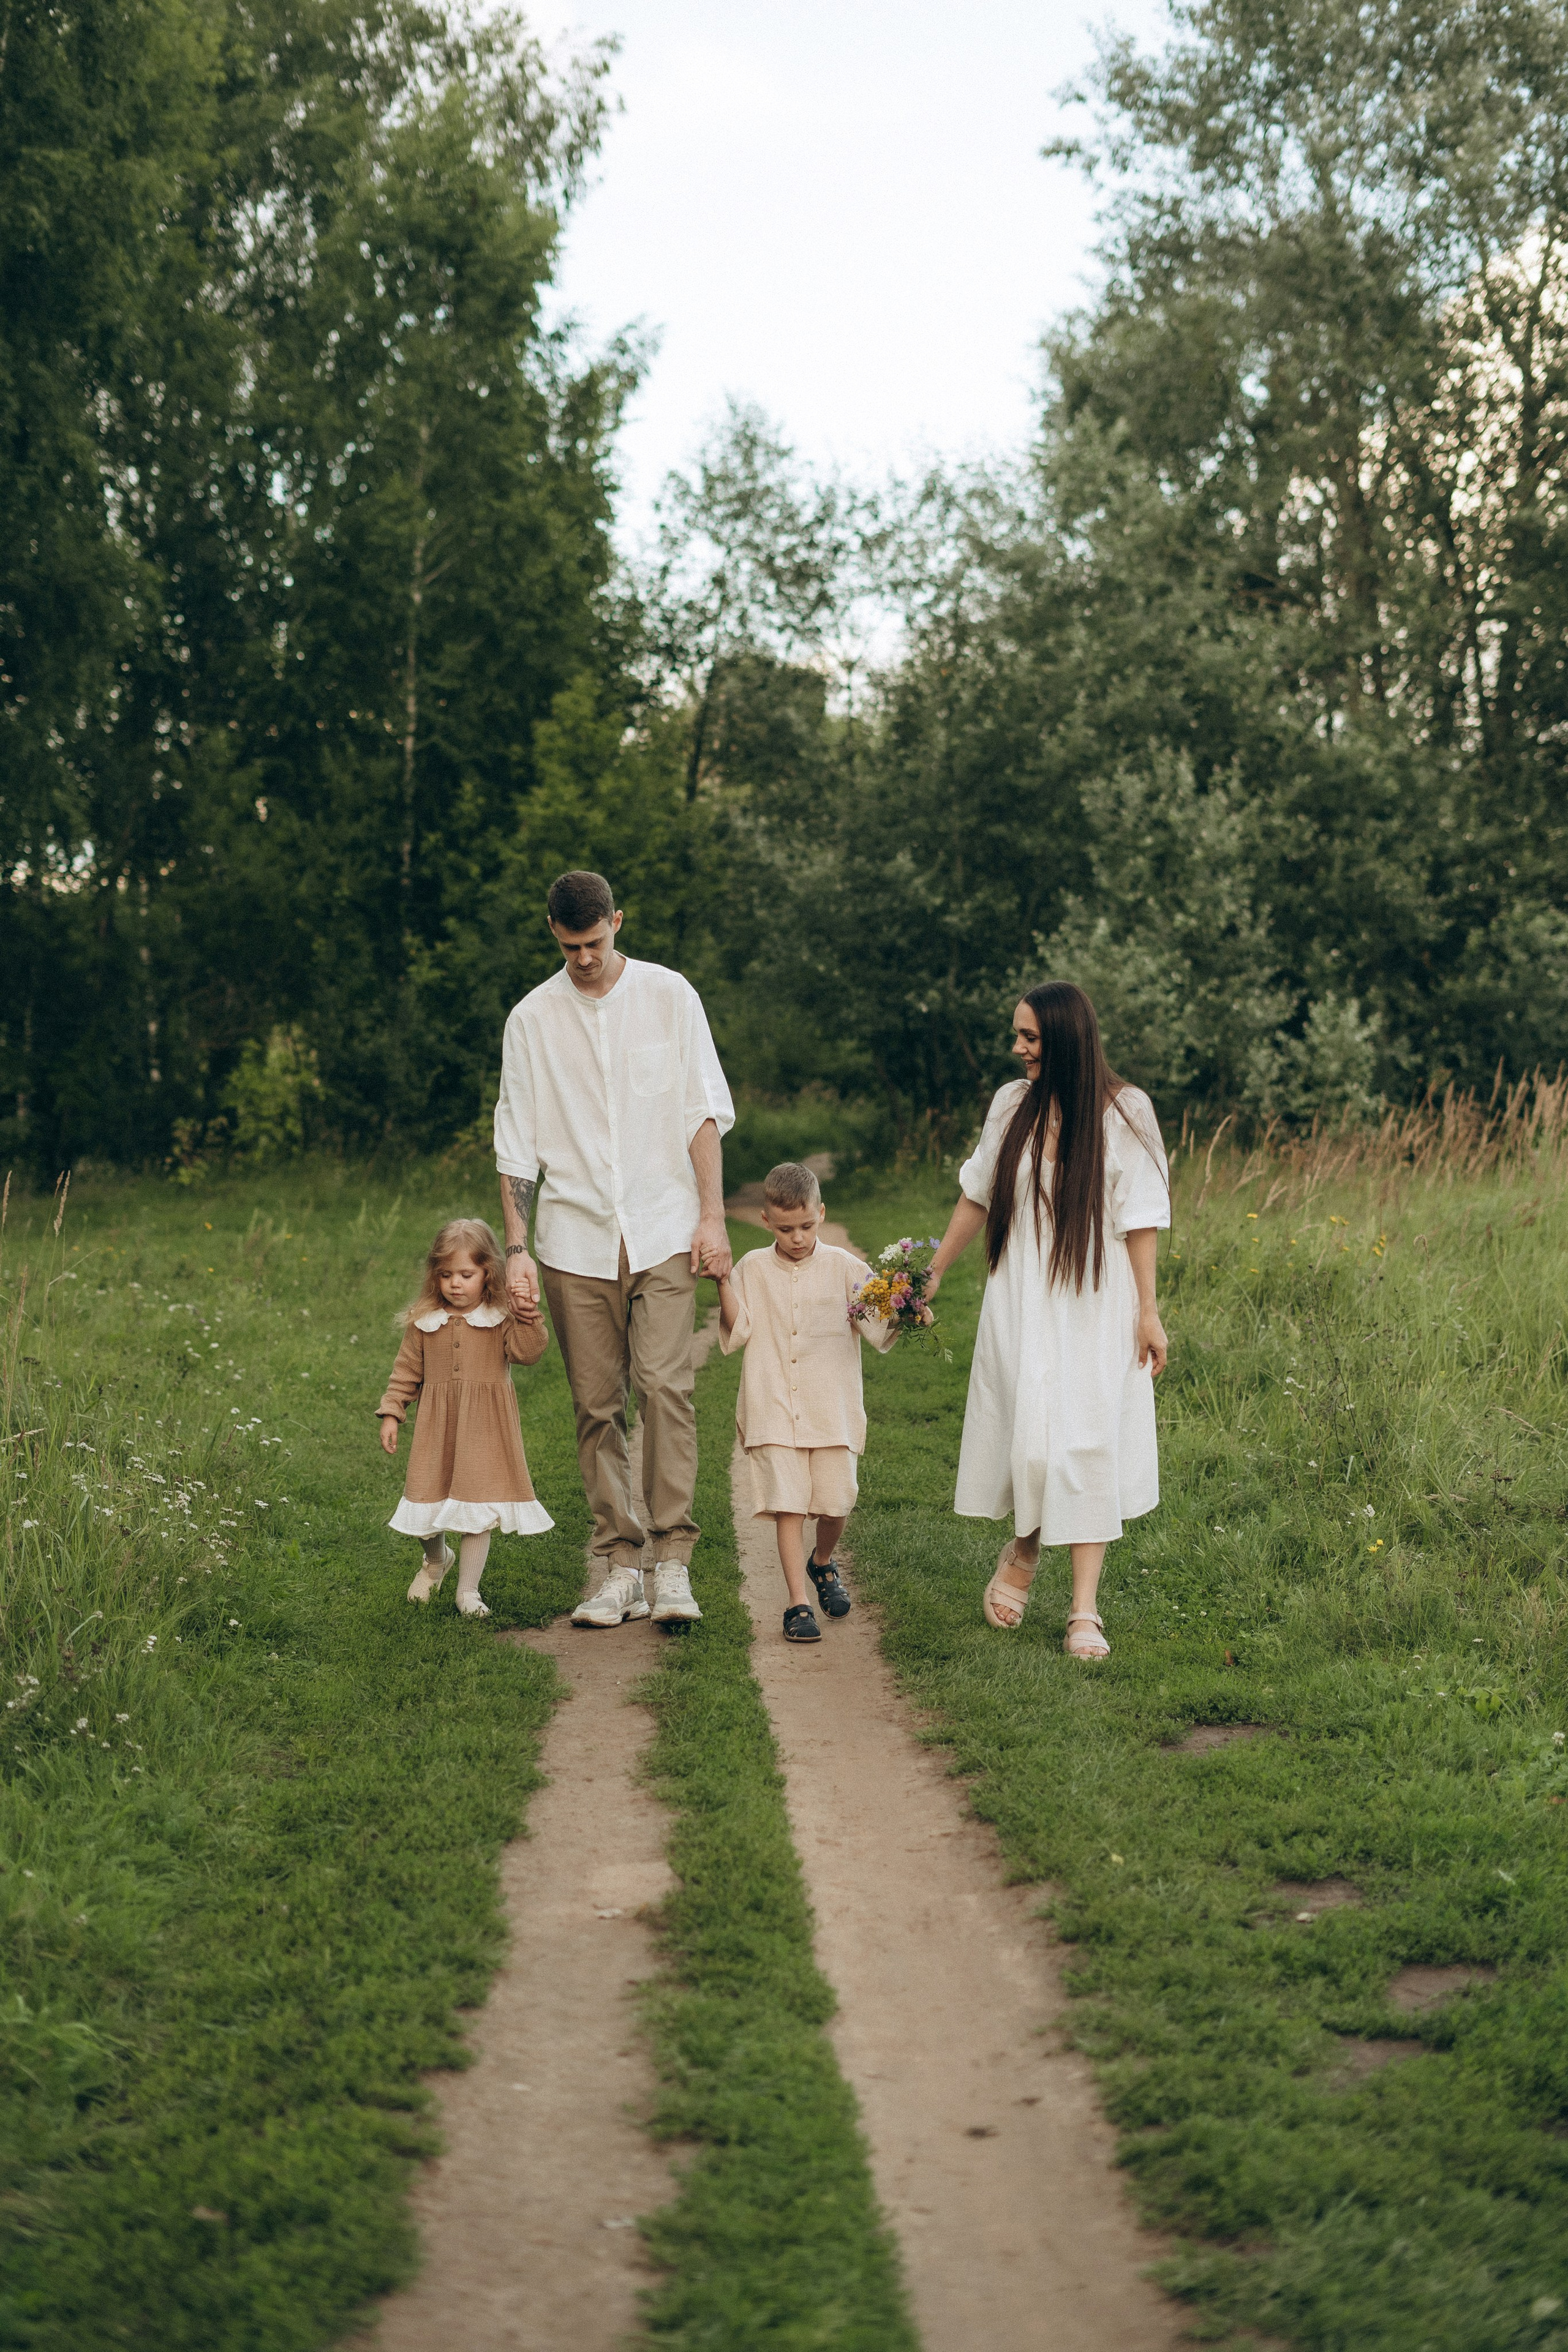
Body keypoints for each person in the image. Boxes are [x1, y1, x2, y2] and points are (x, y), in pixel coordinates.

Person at [495, 870, 734, 1628]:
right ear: (553, 933)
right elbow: (515, 1144)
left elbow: (701, 1112)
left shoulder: (670, 996)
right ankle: (620, 1566)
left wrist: (712, 1217)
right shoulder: (531, 1020)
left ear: (617, 923)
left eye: (594, 943)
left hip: (663, 1227)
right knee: (596, 1405)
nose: (584, 959)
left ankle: (673, 1562)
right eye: (570, 947)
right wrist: (516, 1249)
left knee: (664, 1388)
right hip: (573, 1239)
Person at [924, 982, 1169, 1659]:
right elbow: (977, 1194)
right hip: (1022, 1294)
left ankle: (1084, 1610)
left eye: (1029, 1036)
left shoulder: (1127, 1112)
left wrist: (1148, 1313)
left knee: (1086, 1444)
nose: (1018, 1047)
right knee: (1031, 1440)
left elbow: (1141, 1220)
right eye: (1018, 1035)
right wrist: (935, 1270)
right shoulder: (1012, 1105)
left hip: (1096, 1299)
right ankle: (1026, 1547)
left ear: (1064, 1038)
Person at [713, 1161, 896, 1643]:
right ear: (766, 1221)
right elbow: (738, 1330)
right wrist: (721, 1283)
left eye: (807, 1227)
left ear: (821, 1214)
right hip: (772, 1403)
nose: (797, 1238)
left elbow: (881, 1327)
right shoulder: (752, 1269)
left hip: (831, 1408)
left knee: (837, 1502)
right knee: (788, 1504)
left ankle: (823, 1562)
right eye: (785, 1229)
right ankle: (798, 1603)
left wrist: (912, 1309)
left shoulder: (847, 1269)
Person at [377, 1218, 552, 1619]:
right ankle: (437, 1560)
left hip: (484, 1429)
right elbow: (406, 1372)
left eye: (466, 1275)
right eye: (446, 1275)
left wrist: (528, 1316)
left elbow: (528, 1353)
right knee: (424, 1500)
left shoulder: (500, 1317)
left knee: (477, 1508)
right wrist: (392, 1412)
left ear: (488, 1273)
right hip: (436, 1430)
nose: (455, 1284)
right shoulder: (425, 1321)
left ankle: (468, 1591)